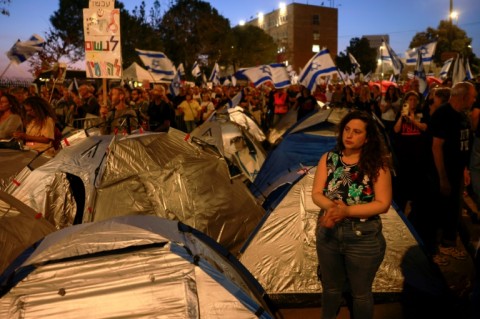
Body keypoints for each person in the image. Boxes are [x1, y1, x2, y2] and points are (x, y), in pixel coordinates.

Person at [312, 110, 392, 319]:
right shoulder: (329, 158)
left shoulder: (378, 164)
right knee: (330, 289)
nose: (349, 135)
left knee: (361, 294)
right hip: (329, 233)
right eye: (347, 130)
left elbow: (383, 204)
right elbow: (316, 193)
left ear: (367, 138)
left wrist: (346, 211)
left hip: (363, 237)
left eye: (356, 132)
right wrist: (332, 209)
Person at [431, 81, 477, 260]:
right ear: (464, 96)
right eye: (473, 96)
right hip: (445, 172)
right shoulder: (443, 115)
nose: (474, 99)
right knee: (444, 209)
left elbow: (463, 144)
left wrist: (465, 169)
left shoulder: (462, 115)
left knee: (454, 208)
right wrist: (442, 178)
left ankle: (449, 241)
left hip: (458, 171)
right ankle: (440, 246)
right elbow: (437, 147)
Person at [392, 91, 428, 214]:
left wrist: (413, 121)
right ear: (406, 102)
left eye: (414, 100)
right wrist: (402, 117)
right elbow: (396, 130)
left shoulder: (421, 113)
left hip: (417, 151)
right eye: (410, 100)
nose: (412, 102)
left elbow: (424, 127)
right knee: (403, 178)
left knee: (416, 178)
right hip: (403, 152)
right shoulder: (401, 114)